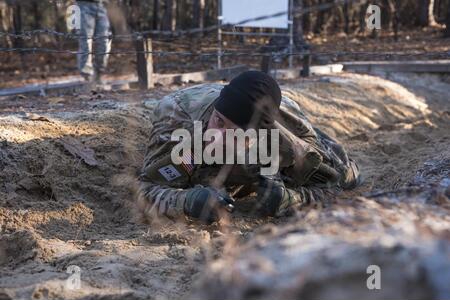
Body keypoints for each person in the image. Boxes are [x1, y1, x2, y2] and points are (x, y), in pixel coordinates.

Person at [137, 71, 362, 224]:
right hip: (194, 103)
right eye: (219, 121)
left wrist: (291, 198)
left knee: (341, 172)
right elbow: (145, 187)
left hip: (282, 114)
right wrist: (188, 201)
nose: (218, 137)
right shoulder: (178, 119)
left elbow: (338, 184)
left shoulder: (286, 139)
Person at [76, 0, 111, 84]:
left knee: (104, 40)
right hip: (84, 5)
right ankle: (87, 77)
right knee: (86, 41)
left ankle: (99, 73)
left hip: (101, 5)